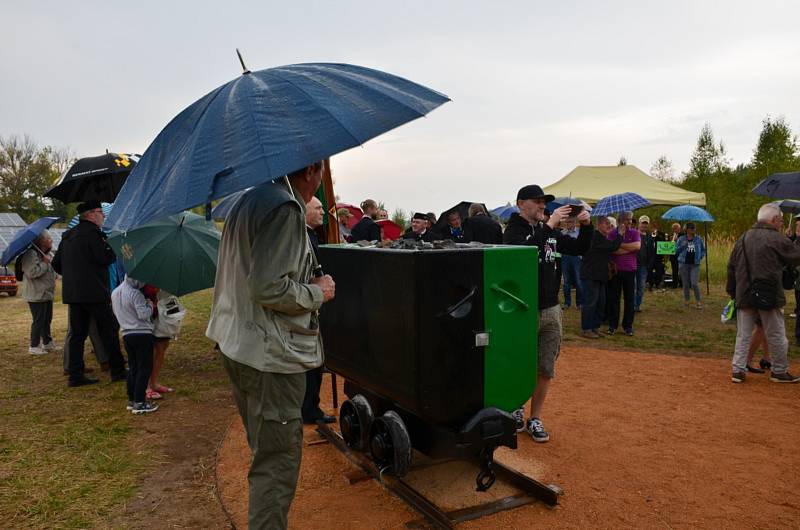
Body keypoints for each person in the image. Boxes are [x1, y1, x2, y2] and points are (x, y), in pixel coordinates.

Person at [206, 162, 335, 529]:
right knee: (277, 462)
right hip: (269, 355)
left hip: (238, 344)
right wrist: (317, 292)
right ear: (311, 169)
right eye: (320, 172)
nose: (321, 184)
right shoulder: (283, 208)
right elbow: (267, 287)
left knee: (266, 449)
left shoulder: (249, 200)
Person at [504, 184, 592, 443]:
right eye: (537, 201)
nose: (543, 206)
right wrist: (550, 225)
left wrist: (586, 225)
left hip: (551, 307)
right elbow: (523, 253)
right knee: (520, 363)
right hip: (523, 308)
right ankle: (516, 408)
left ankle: (535, 417)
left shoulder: (549, 232)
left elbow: (580, 249)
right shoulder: (513, 231)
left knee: (545, 366)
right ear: (521, 203)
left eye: (545, 202)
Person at [52, 200, 127, 387]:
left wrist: (74, 275)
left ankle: (75, 375)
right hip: (94, 292)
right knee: (109, 330)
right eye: (100, 212)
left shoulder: (68, 236)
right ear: (90, 214)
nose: (103, 216)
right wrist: (111, 247)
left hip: (73, 293)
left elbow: (56, 264)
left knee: (78, 335)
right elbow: (105, 258)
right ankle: (117, 371)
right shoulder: (94, 235)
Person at [728, 202, 800, 383]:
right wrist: (795, 239)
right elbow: (795, 257)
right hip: (769, 294)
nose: (782, 224)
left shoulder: (743, 237)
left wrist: (732, 293)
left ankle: (738, 370)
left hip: (744, 293)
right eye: (781, 221)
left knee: (743, 334)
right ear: (774, 219)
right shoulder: (776, 238)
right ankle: (779, 370)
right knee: (776, 334)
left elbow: (731, 267)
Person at [301, 197, 335, 425]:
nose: (323, 210)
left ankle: (308, 406)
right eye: (317, 207)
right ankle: (309, 410)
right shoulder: (302, 237)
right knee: (312, 363)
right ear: (304, 211)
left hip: (313, 300)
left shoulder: (310, 235)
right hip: (307, 304)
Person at [111, 276, 158, 414]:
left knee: (133, 368)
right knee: (144, 368)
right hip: (142, 333)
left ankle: (132, 399)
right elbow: (143, 314)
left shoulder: (115, 292)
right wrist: (150, 304)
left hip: (127, 333)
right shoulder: (135, 293)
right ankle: (139, 402)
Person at [579, 216, 622, 338]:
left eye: (609, 223)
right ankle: (587, 328)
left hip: (600, 275)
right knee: (590, 303)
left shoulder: (602, 237)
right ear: (598, 225)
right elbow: (613, 247)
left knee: (600, 303)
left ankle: (595, 327)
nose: (609, 226)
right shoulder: (594, 236)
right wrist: (620, 234)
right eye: (606, 223)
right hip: (591, 275)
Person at [21, 230, 57, 354]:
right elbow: (32, 272)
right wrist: (44, 263)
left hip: (46, 294)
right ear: (42, 241)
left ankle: (47, 343)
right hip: (36, 294)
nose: (51, 240)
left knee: (47, 320)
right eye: (49, 238)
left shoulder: (44, 253)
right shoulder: (31, 254)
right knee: (39, 320)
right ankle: (34, 346)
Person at [607, 211, 641, 336]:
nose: (630, 222)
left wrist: (619, 245)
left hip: (630, 270)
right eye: (627, 219)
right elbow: (610, 249)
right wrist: (626, 248)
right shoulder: (612, 233)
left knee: (630, 299)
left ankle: (628, 326)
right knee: (614, 299)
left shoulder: (635, 232)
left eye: (631, 219)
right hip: (616, 270)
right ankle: (612, 325)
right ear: (620, 220)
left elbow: (637, 246)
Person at [676, 222, 706, 309]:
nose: (693, 230)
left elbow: (703, 250)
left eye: (694, 228)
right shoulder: (681, 239)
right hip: (683, 264)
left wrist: (700, 257)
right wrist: (683, 246)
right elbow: (676, 251)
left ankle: (698, 301)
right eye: (691, 228)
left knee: (694, 283)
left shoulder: (698, 239)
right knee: (685, 284)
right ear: (687, 230)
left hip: (695, 264)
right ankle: (687, 301)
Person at [560, 216, 584, 310]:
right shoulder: (562, 233)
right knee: (566, 282)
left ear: (574, 222)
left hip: (576, 258)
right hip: (565, 257)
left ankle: (580, 303)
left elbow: (582, 245)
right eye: (567, 222)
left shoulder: (579, 232)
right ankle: (567, 303)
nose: (568, 224)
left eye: (570, 222)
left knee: (578, 281)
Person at [634, 215, 654, 312]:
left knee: (641, 287)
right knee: (633, 287)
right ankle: (632, 306)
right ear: (639, 223)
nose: (644, 225)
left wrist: (649, 265)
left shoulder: (650, 237)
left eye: (646, 224)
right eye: (643, 223)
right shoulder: (633, 234)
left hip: (643, 266)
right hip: (633, 265)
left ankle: (637, 306)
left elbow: (651, 252)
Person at [649, 222, 667, 291]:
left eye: (655, 226)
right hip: (650, 256)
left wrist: (657, 235)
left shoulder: (661, 234)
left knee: (659, 271)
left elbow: (664, 241)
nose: (653, 227)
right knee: (649, 271)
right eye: (652, 226)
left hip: (658, 256)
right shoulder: (648, 234)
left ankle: (657, 284)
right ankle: (650, 284)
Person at [669, 222, 683, 288]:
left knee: (681, 270)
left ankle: (681, 283)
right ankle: (674, 284)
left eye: (676, 228)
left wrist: (677, 240)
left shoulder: (683, 235)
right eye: (673, 229)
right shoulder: (672, 235)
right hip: (673, 256)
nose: (675, 230)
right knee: (674, 270)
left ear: (679, 229)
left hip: (680, 255)